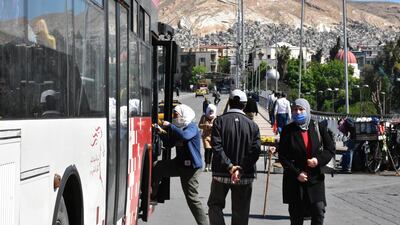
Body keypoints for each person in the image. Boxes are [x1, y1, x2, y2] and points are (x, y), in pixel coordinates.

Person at [208, 89, 261, 225]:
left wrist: (230, 166)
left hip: (221, 172)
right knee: (241, 211)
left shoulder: (219, 122)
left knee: (215, 205)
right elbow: (255, 151)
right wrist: (241, 168)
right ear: (244, 105)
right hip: (244, 175)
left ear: (229, 102)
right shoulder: (253, 126)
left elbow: (216, 147)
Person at [278, 98, 335, 225]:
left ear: (307, 110)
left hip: (315, 178)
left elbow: (330, 149)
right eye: (295, 109)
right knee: (296, 217)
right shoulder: (288, 130)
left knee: (318, 212)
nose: (297, 112)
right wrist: (297, 173)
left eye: (301, 109)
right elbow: (283, 156)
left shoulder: (318, 127)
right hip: (295, 180)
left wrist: (317, 160)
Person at [152, 104, 208, 225]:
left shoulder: (191, 127)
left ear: (183, 115)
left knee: (192, 199)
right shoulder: (178, 128)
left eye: (176, 115)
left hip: (191, 168)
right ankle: (153, 195)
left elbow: (184, 136)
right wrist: (160, 132)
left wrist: (170, 126)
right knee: (157, 167)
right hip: (179, 164)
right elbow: (168, 144)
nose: (174, 117)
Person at [198, 104, 217, 172]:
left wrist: (213, 126)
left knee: (212, 151)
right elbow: (199, 125)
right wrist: (205, 125)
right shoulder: (203, 117)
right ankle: (206, 165)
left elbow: (219, 127)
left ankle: (210, 165)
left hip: (213, 136)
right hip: (205, 136)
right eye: (210, 111)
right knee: (207, 150)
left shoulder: (216, 118)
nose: (211, 113)